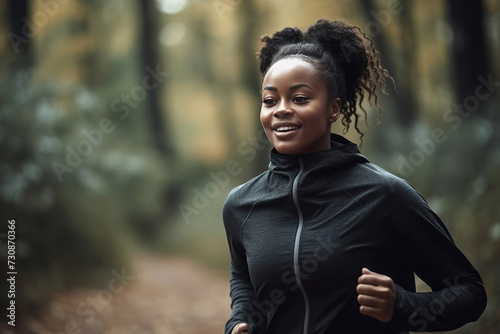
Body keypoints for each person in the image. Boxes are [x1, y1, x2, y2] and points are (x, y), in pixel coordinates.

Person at [222, 19, 487, 334]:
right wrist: (240, 321)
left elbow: (470, 291)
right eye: (270, 100)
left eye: (300, 98)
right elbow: (243, 279)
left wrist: (402, 306)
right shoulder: (242, 204)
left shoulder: (384, 194)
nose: (280, 109)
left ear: (333, 109)